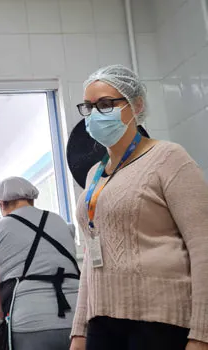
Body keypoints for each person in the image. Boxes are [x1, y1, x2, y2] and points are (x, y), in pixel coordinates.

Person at [70, 65, 208, 350]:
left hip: (159, 322)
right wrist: (79, 332)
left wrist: (202, 333)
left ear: (136, 105)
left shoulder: (168, 158)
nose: (95, 113)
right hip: (102, 321)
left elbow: (203, 245)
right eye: (89, 106)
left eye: (106, 104)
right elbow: (90, 256)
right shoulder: (94, 174)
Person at [0, 176, 80, 350]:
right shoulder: (61, 222)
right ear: (32, 200)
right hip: (77, 323)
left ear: (1, 204)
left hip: (30, 324)